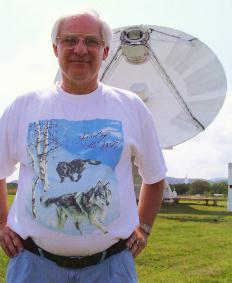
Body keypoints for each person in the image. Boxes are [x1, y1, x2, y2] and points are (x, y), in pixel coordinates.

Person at [0, 9, 166, 283]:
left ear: (105, 51)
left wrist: (144, 227)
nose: (80, 49)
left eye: (91, 41)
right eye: (70, 40)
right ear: (56, 48)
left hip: (111, 267)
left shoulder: (131, 107)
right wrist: (2, 223)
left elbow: (155, 176)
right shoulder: (24, 106)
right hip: (33, 265)